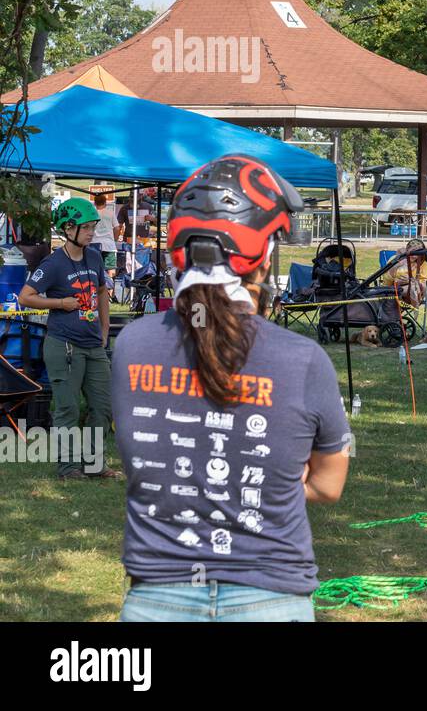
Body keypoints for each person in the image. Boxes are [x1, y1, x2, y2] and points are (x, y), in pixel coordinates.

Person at [111, 155, 350, 621]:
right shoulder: (304, 360)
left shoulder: (131, 344)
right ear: (260, 257)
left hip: (156, 597)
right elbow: (328, 484)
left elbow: (143, 458)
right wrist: (263, 485)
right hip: (271, 594)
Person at [18, 197, 115, 479]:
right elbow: (26, 297)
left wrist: (105, 329)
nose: (91, 232)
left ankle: (95, 464)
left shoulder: (94, 257)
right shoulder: (52, 264)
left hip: (93, 345)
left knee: (102, 406)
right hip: (64, 345)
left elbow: (100, 292)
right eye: (86, 227)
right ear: (68, 228)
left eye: (92, 226)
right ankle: (68, 467)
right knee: (68, 408)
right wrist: (60, 304)